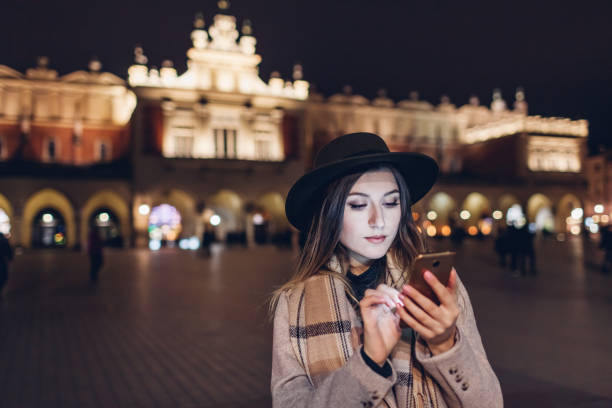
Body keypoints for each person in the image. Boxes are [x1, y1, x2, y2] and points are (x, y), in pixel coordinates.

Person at [270, 132, 502, 407]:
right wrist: (369, 364)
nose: (378, 220)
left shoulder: (434, 287)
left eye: (391, 202)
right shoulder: (294, 303)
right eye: (357, 204)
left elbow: (489, 402)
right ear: (328, 212)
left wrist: (444, 344)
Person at [0, 232, 13, 298]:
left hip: (1, 261)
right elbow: (9, 251)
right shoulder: (3, 240)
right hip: (2, 262)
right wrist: (10, 258)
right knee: (3, 276)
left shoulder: (3, 240)